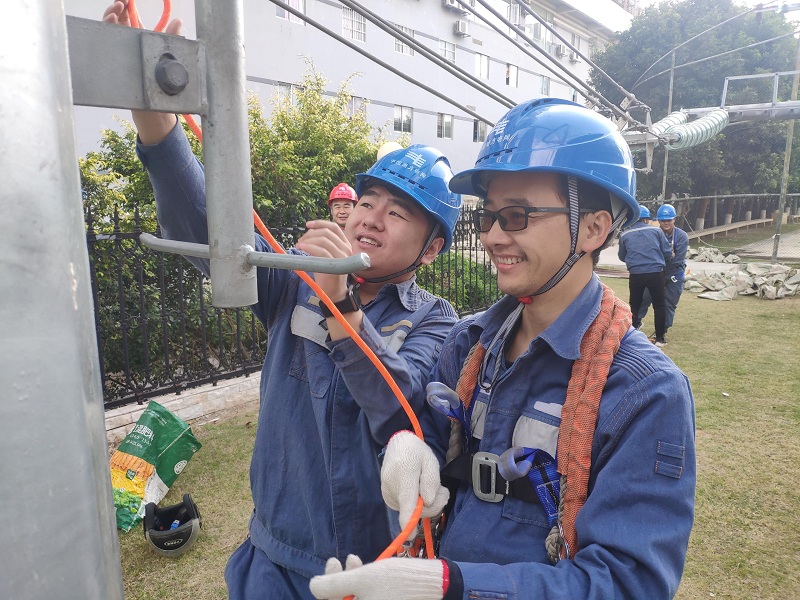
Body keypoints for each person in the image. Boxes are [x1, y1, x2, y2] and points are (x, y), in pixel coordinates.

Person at [101, 3, 463, 597]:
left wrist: (342, 303)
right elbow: (207, 231)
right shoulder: (293, 283)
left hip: (370, 566)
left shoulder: (436, 321)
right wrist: (154, 113)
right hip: (273, 554)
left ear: (430, 250)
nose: (372, 219)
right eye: (368, 203)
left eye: (398, 214)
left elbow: (403, 418)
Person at [309, 99, 696, 600]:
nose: (491, 236)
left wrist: (454, 586)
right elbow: (426, 426)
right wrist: (412, 447)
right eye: (488, 217)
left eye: (516, 216)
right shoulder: (471, 344)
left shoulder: (644, 392)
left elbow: (627, 582)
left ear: (595, 228)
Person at [617, 204, 673, 347]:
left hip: (636, 274)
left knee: (634, 305)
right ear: (646, 219)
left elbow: (622, 256)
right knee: (659, 305)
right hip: (656, 272)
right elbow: (667, 253)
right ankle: (660, 338)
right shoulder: (657, 231)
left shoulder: (624, 234)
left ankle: (633, 334)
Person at [637, 203, 689, 338]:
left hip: (673, 275)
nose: (666, 223)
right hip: (654, 272)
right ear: (658, 221)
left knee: (668, 304)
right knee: (643, 298)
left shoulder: (681, 236)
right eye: (663, 220)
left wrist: (660, 259)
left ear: (674, 220)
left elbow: (677, 259)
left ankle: (662, 330)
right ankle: (635, 324)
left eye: (668, 220)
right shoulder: (653, 234)